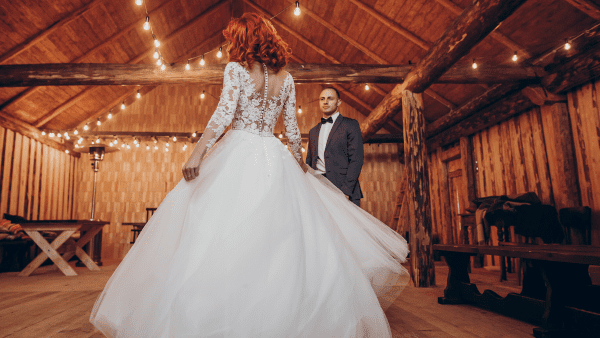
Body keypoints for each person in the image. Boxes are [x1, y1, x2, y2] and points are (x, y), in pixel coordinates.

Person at [90, 13, 409, 338]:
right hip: (274, 155)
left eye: (234, 39)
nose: (230, 45)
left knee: (219, 230)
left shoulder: (236, 70)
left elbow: (224, 114)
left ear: (245, 40)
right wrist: (301, 168)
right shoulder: (286, 78)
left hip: (239, 151)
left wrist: (197, 153)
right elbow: (293, 130)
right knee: (280, 239)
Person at [306, 88, 364, 207]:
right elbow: (309, 162)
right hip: (318, 191)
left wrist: (345, 191)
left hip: (344, 190)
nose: (325, 102)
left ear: (338, 102)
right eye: (322, 99)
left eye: (330, 98)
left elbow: (356, 159)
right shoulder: (313, 131)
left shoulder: (351, 125)